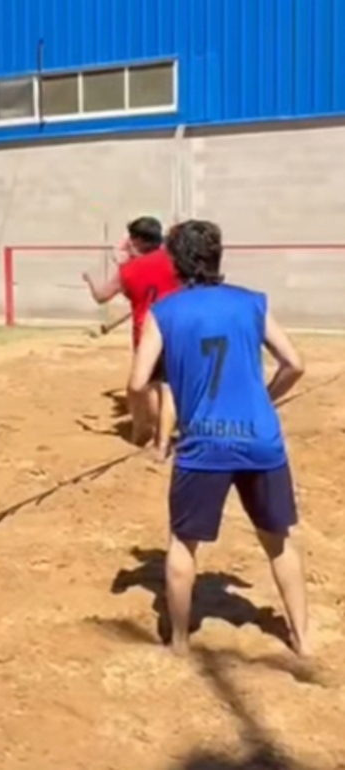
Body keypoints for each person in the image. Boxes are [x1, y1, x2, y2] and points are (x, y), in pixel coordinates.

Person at [128, 219, 309, 657]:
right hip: (260, 438)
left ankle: (179, 642)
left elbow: (136, 383)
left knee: (183, 544)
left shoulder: (165, 312)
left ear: (174, 261)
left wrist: (148, 425)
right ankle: (304, 641)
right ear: (217, 257)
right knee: (277, 541)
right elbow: (295, 364)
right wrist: (265, 399)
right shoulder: (252, 303)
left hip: (202, 445)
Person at [82, 216, 179, 457]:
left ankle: (151, 436)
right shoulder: (177, 260)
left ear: (136, 240)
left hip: (147, 332)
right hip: (179, 327)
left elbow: (101, 296)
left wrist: (89, 279)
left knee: (146, 387)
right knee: (169, 386)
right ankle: (164, 436)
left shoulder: (127, 271)